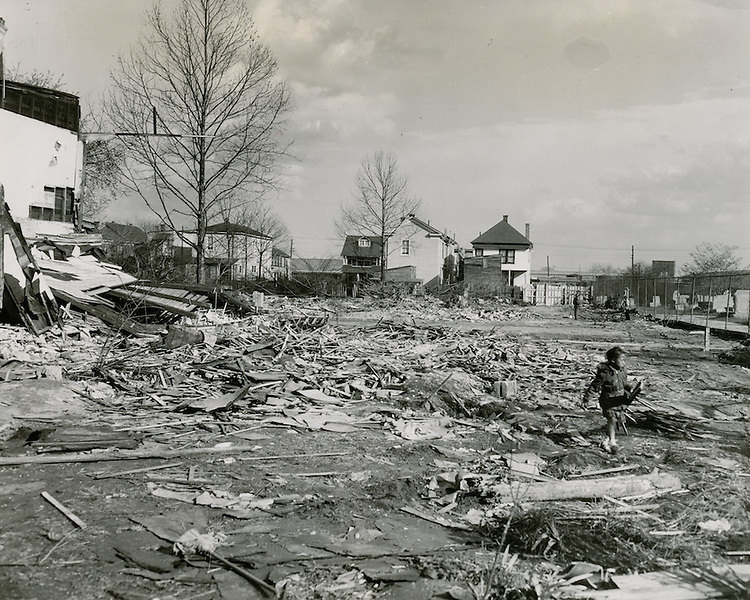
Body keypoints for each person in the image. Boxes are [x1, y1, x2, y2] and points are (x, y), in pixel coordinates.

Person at [582, 346, 639, 454]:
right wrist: (587, 399)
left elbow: (624, 383)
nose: (623, 362)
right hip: (608, 400)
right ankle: (612, 441)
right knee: (611, 419)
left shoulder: (622, 370)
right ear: (613, 360)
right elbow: (594, 386)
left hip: (620, 399)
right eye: (621, 359)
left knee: (617, 419)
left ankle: (609, 436)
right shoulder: (604, 373)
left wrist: (631, 387)